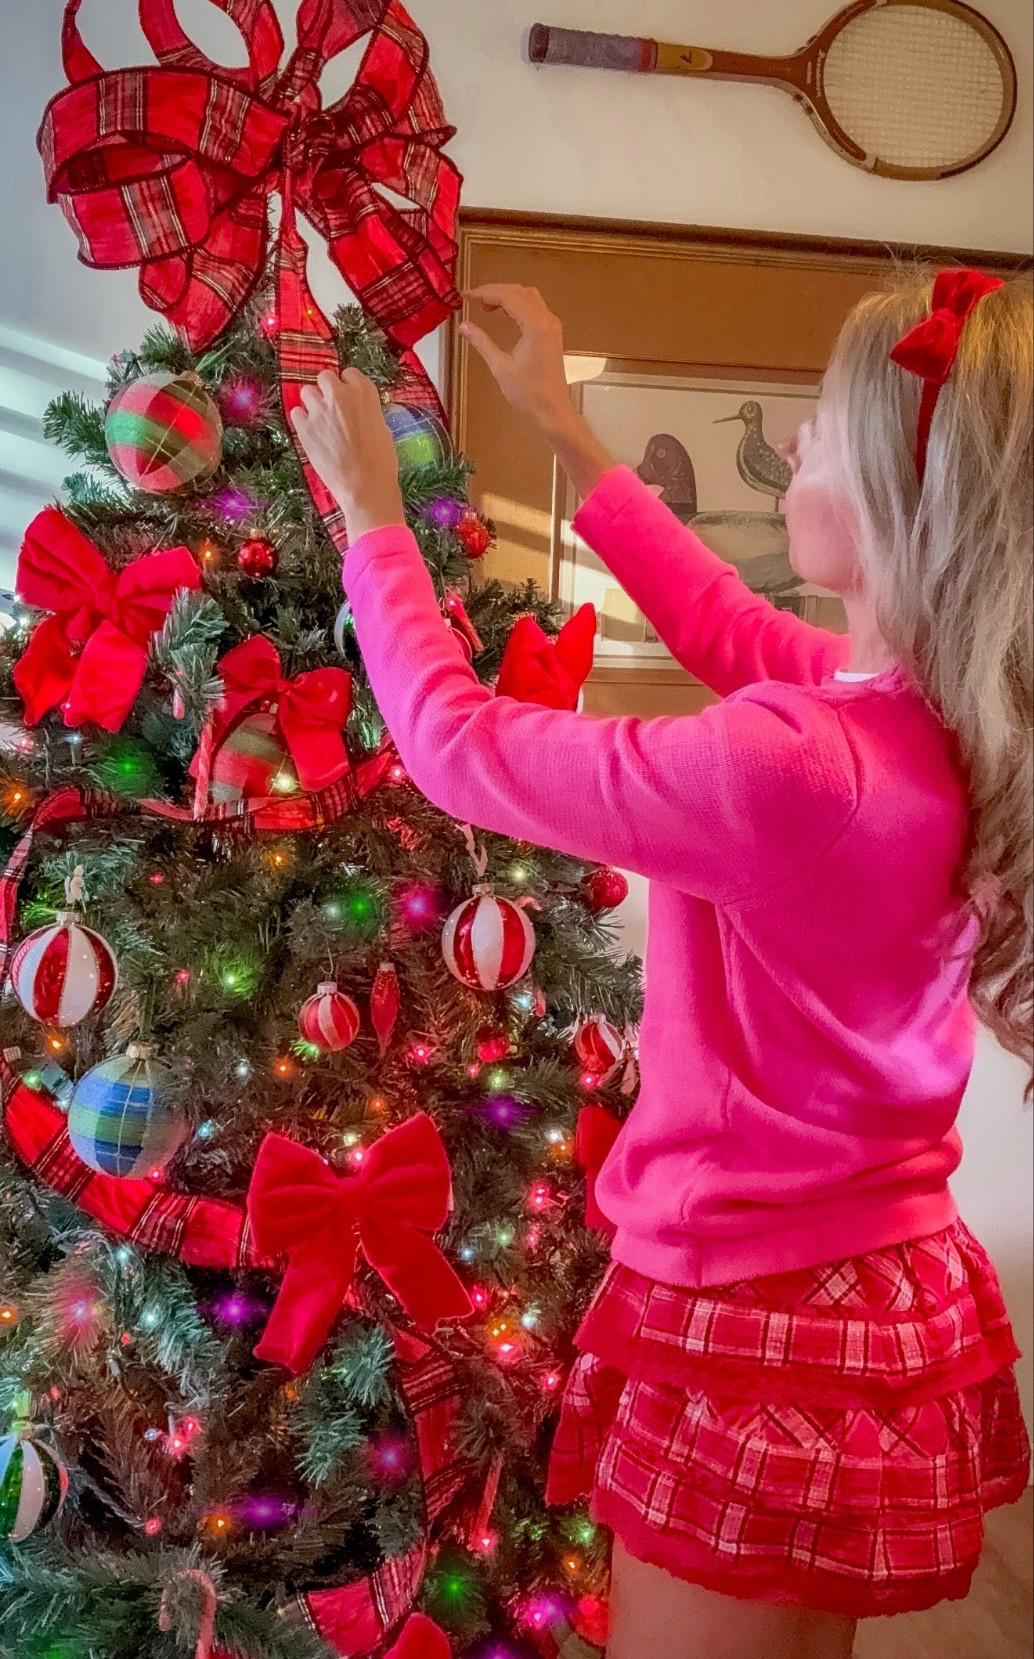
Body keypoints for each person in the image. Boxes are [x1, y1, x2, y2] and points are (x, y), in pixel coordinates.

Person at [291, 269, 1032, 1659]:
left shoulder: (796, 766)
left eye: (820, 418)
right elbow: (721, 624)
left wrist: (369, 520)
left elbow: (456, 748)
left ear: (890, 488)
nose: (798, 441)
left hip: (752, 1304)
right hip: (877, 1281)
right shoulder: (916, 714)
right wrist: (562, 432)